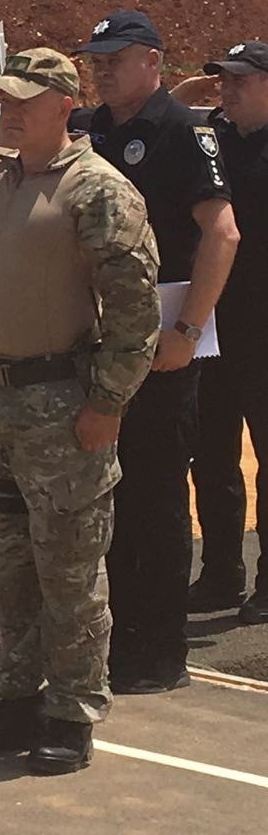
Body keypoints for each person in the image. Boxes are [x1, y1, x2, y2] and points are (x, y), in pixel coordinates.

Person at [0, 48, 159, 775]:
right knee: (12, 567)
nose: (6, 110)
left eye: (21, 100)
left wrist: (109, 401)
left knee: (70, 571)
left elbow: (136, 310)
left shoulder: (98, 190)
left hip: (63, 404)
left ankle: (71, 713)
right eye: (2, 99)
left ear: (63, 105)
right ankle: (16, 699)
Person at [70, 10, 240, 692]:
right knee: (107, 496)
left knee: (157, 497)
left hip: (164, 344)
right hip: (97, 340)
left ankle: (162, 651)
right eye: (96, 59)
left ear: (153, 61)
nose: (102, 69)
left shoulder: (179, 130)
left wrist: (188, 331)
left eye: (115, 58)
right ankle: (122, 637)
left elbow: (220, 234)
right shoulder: (93, 131)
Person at [176, 41, 268, 625]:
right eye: (222, 80)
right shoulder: (211, 141)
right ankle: (220, 573)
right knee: (210, 456)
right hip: (212, 324)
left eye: (239, 79)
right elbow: (163, 112)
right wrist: (194, 93)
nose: (226, 89)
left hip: (264, 328)